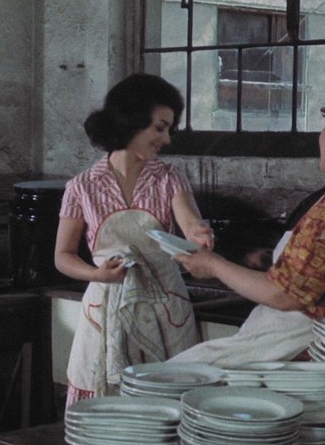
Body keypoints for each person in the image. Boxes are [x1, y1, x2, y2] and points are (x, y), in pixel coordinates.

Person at [170, 83, 325, 367]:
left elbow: (283, 295)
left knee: (175, 374)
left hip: (308, 351)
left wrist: (213, 265)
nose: (321, 137)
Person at [55, 73, 214, 406]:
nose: (166, 139)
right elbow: (63, 255)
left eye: (169, 129)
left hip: (166, 309)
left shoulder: (169, 177)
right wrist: (97, 274)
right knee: (107, 407)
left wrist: (198, 233)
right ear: (131, 121)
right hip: (106, 308)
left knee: (169, 404)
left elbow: (189, 222)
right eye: (160, 128)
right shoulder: (81, 186)